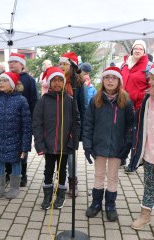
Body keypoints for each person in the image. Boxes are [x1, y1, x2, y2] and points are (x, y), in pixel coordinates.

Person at [82, 66, 134, 221]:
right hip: (99, 145)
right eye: (107, 77)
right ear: (102, 80)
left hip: (117, 146)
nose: (110, 80)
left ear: (119, 81)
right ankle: (96, 203)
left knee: (112, 176)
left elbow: (131, 125)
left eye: (114, 78)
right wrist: (87, 145)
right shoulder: (95, 100)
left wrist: (128, 144)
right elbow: (88, 124)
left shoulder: (126, 100)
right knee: (99, 175)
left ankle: (110, 204)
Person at [33, 66, 80, 209]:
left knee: (62, 171)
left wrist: (73, 141)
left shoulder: (70, 100)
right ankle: (47, 195)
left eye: (60, 80)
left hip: (65, 145)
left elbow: (76, 121)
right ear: (49, 83)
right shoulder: (43, 101)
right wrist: (39, 144)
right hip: (48, 145)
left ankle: (60, 194)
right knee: (48, 170)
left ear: (64, 82)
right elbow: (37, 123)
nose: (57, 83)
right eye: (54, 80)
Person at [0, 72, 32, 199]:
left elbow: (27, 125)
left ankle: (14, 188)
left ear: (13, 84)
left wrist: (25, 146)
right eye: (0, 81)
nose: (1, 83)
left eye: (4, 80)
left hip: (16, 139)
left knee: (16, 162)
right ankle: (0, 186)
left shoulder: (22, 100)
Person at [6, 52, 38, 187]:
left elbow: (34, 101)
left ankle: (22, 175)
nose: (11, 64)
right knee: (7, 147)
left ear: (22, 64)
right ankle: (8, 173)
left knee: (22, 149)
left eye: (14, 62)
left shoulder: (29, 80)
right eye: (10, 62)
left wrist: (32, 122)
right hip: (7, 122)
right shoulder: (5, 78)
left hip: (23, 122)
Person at [121, 39, 154, 173]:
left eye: (140, 49)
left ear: (144, 51)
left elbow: (151, 85)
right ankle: (121, 157)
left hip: (139, 107)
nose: (137, 51)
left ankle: (133, 162)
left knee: (134, 135)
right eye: (136, 48)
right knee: (122, 132)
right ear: (132, 50)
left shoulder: (148, 66)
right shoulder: (125, 65)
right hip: (123, 105)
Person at [59, 52, 88, 197]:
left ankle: (72, 183)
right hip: (58, 123)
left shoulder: (78, 83)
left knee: (70, 156)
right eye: (61, 64)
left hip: (71, 125)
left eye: (65, 64)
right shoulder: (56, 80)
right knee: (58, 155)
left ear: (72, 66)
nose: (62, 66)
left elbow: (83, 106)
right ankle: (60, 182)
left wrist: (80, 130)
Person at [130, 67, 154, 230]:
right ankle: (145, 215)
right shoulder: (148, 99)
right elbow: (138, 120)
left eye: (153, 79)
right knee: (149, 184)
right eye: (150, 79)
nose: (149, 82)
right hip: (149, 152)